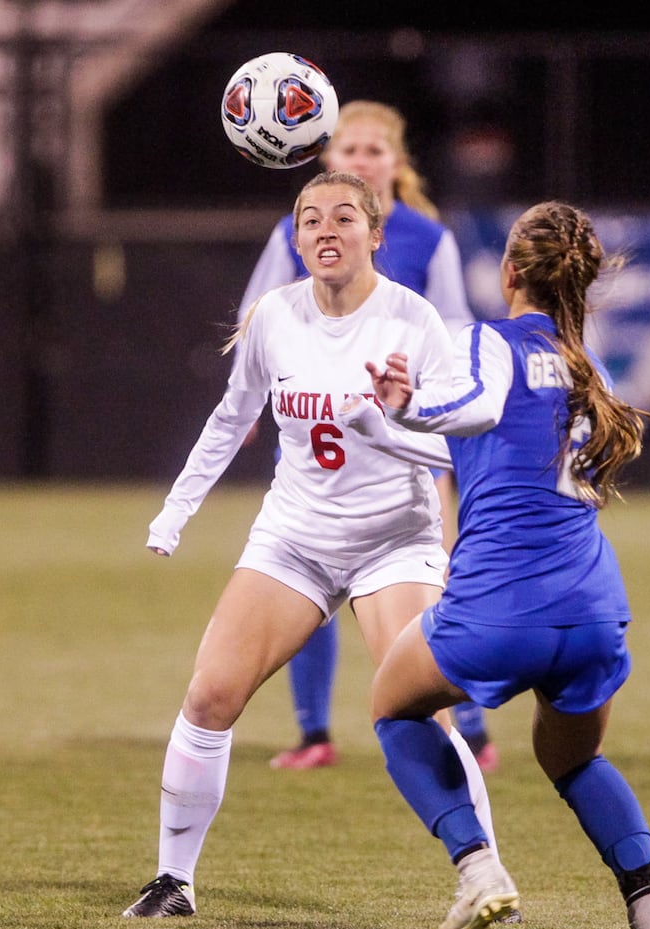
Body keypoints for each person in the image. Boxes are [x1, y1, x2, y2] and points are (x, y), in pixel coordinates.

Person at [123, 171, 501, 918]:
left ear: (375, 234)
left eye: (342, 218)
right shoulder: (275, 316)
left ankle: (485, 871)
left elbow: (460, 447)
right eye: (309, 221)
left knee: (422, 708)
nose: (325, 231)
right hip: (295, 538)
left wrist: (393, 421)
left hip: (395, 539)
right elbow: (233, 418)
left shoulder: (413, 320)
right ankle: (174, 882)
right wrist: (176, 511)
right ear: (294, 241)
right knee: (210, 695)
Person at [353, 201, 650, 929]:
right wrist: (398, 422)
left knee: (394, 708)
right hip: (594, 609)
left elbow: (468, 406)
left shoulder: (488, 343)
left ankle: (477, 869)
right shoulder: (589, 366)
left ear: (509, 272)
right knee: (574, 758)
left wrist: (404, 404)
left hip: (501, 606)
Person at [238, 99, 498, 772]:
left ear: (395, 161)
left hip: (404, 449)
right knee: (302, 579)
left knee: (437, 584)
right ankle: (313, 733)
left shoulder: (426, 237)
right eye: (349, 150)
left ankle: (468, 727)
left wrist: (439, 413)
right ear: (327, 158)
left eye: (373, 151)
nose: (361, 160)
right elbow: (254, 315)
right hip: (318, 440)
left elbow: (458, 332)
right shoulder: (292, 231)